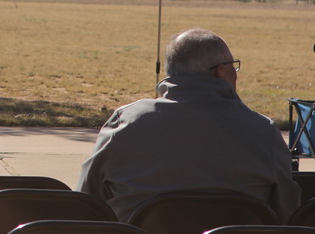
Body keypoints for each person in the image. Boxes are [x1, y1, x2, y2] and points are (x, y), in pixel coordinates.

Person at [77, 27, 300, 221]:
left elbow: (88, 202)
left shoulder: (124, 124)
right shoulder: (262, 132)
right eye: (234, 66)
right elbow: (287, 214)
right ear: (220, 71)